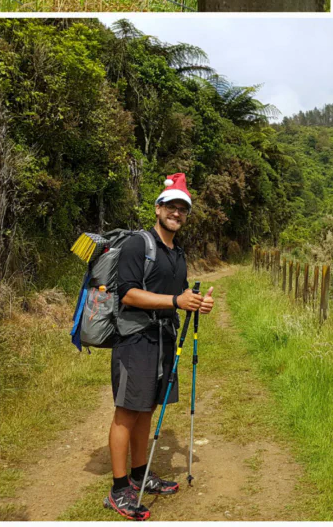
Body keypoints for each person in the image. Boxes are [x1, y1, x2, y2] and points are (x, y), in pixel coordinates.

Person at [104, 174, 215, 521]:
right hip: (135, 339)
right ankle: (119, 489)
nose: (176, 213)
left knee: (148, 408)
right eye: (171, 206)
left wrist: (197, 303)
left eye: (182, 209)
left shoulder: (177, 254)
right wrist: (175, 300)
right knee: (126, 412)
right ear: (158, 208)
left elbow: (179, 298)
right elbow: (128, 293)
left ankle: (140, 475)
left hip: (164, 340)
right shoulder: (139, 245)